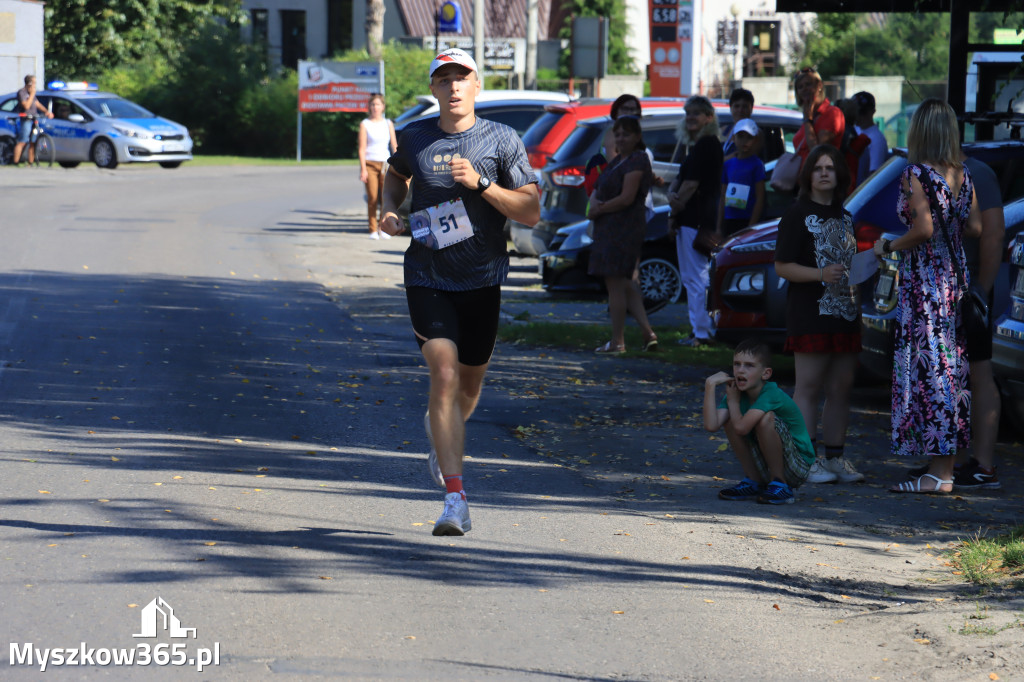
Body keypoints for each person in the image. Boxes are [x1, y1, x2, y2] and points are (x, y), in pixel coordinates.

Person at [379, 48, 540, 535]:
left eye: (461, 78)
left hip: (483, 278)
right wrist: (390, 209)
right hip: (427, 274)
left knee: (468, 386)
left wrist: (482, 182)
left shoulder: (503, 140)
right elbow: (395, 172)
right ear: (433, 89)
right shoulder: (416, 135)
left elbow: (530, 212)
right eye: (444, 79)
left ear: (476, 87)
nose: (453, 87)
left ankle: (442, 434)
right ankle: (456, 499)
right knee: (444, 374)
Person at [872, 98, 981, 493]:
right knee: (949, 371)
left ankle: (940, 474)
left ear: (920, 130)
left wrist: (889, 247)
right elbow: (977, 226)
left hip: (925, 285)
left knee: (931, 371)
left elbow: (923, 230)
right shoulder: (962, 174)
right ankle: (941, 464)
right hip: (954, 282)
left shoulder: (915, 174)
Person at [906, 157, 1004, 489]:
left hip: (965, 290)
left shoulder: (975, 171)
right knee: (951, 374)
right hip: (951, 289)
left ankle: (982, 464)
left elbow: (992, 233)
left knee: (977, 372)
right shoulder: (940, 169)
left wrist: (982, 291)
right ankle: (950, 460)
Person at [774, 144, 865, 485]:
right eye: (818, 168)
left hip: (845, 312)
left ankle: (836, 458)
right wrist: (818, 275)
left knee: (842, 387)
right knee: (808, 386)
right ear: (808, 175)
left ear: (840, 174)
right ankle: (805, 459)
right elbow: (782, 266)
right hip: (808, 311)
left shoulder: (845, 216)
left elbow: (848, 262)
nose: (825, 172)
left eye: (830, 167)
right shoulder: (796, 213)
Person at [703, 338, 816, 505]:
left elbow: (741, 428)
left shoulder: (770, 393)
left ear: (766, 373)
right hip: (767, 461)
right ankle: (753, 482)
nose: (741, 370)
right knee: (729, 421)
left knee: (766, 418)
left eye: (749, 365)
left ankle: (780, 484)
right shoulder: (736, 393)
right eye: (737, 364)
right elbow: (712, 425)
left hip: (797, 466)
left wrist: (733, 402)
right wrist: (709, 386)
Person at [586, 116, 658, 354]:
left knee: (615, 285)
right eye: (617, 134)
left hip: (623, 230)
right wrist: (594, 205)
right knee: (627, 284)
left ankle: (618, 341)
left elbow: (627, 197)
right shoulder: (618, 160)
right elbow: (599, 187)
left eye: (626, 134)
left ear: (638, 136)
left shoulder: (637, 160)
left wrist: (600, 208)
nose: (620, 138)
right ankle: (648, 334)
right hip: (608, 229)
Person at [668, 95, 723, 346]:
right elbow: (681, 180)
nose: (690, 117)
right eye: (687, 112)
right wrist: (674, 200)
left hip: (696, 219)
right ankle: (699, 328)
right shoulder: (699, 145)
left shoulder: (707, 144)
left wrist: (676, 202)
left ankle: (702, 331)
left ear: (708, 117)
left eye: (696, 113)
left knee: (695, 276)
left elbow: (691, 183)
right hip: (690, 218)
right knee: (695, 275)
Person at [358, 93, 398, 240]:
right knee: (373, 198)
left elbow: (394, 145)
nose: (375, 107)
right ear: (370, 107)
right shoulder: (365, 124)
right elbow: (362, 148)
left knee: (385, 197)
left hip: (385, 163)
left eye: (378, 105)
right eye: (373, 105)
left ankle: (384, 228)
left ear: (383, 107)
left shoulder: (388, 123)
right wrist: (363, 169)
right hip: (370, 163)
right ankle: (372, 229)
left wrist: (398, 162)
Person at [717, 118, 766, 238]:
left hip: (746, 220)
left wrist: (751, 226)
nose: (744, 141)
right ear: (733, 138)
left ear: (755, 140)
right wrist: (718, 227)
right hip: (729, 220)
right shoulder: (728, 164)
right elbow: (722, 196)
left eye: (749, 137)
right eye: (740, 136)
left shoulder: (757, 164)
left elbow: (760, 197)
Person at [791, 68, 844, 167]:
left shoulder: (832, 113)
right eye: (800, 87)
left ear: (819, 85)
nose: (804, 89)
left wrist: (807, 120)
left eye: (808, 84)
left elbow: (817, 152)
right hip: (803, 179)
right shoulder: (810, 114)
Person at [12, 75, 54, 165]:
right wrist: (31, 95)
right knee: (23, 141)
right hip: (26, 119)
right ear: (29, 83)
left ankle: (30, 163)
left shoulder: (32, 93)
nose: (35, 85)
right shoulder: (22, 93)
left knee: (32, 142)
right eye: (34, 82)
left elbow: (37, 104)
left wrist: (47, 112)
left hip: (34, 119)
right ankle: (15, 162)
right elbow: (26, 106)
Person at [853, 91, 889, 184]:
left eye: (862, 112)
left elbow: (873, 176)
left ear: (873, 112)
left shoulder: (876, 139)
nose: (858, 115)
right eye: (855, 111)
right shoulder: (854, 129)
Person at [721, 88, 763, 160]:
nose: (740, 110)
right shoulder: (723, 130)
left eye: (745, 106)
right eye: (737, 106)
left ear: (751, 109)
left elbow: (743, 159)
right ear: (731, 108)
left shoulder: (756, 133)